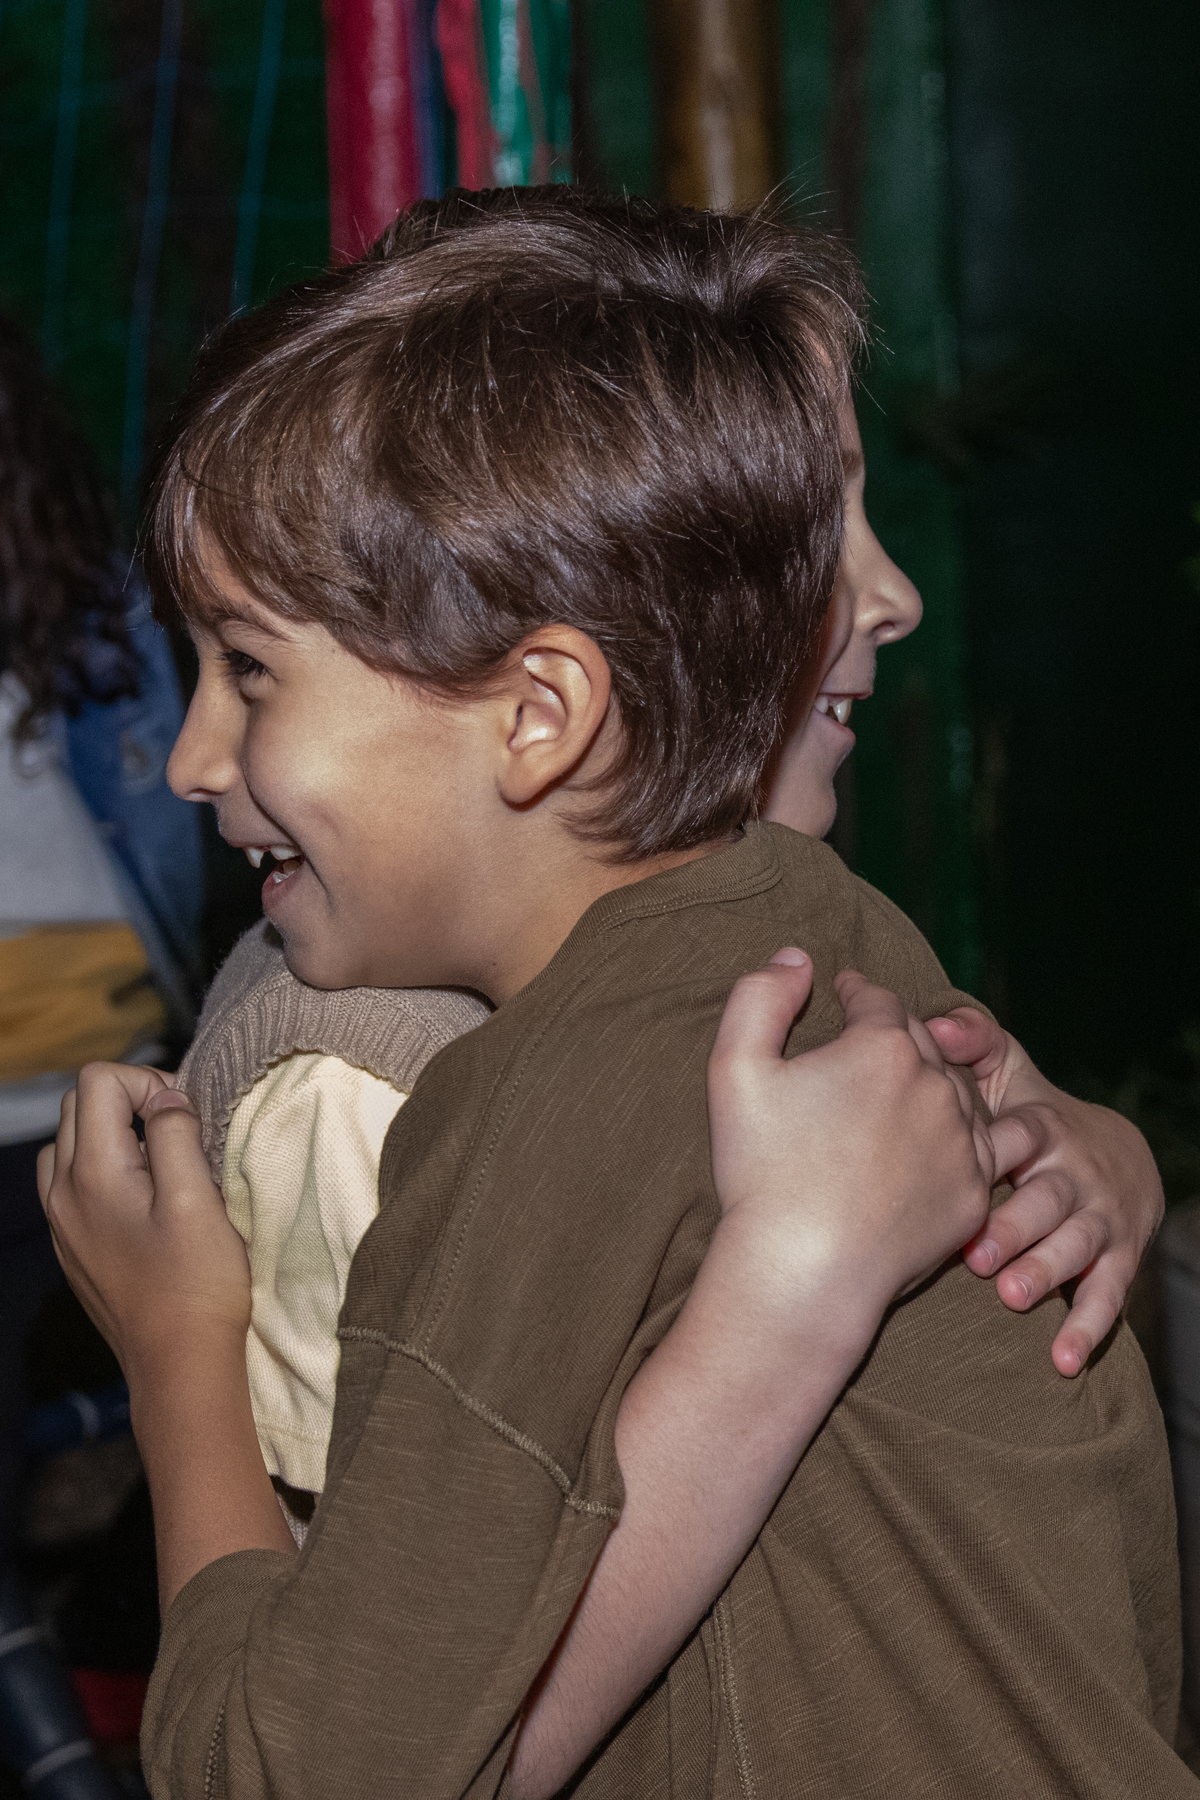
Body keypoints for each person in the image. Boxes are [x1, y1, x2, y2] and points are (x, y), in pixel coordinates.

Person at [39, 197, 1186, 1798]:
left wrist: (176, 1345)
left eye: (249, 669)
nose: (189, 760)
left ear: (542, 714)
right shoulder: (828, 930)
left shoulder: (544, 1106)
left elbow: (294, 1775)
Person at [0, 317, 203, 1797]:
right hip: (81, 1088)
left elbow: (180, 829)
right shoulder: (87, 591)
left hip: (89, 1090)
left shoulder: (96, 600)